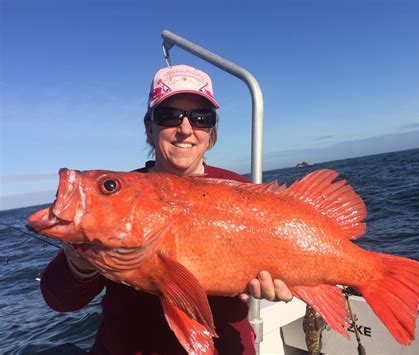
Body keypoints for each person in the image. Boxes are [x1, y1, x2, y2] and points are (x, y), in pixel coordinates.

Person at [40, 64, 292, 354]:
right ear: (150, 128)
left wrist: (281, 282)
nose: (186, 129)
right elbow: (60, 300)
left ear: (211, 132)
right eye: (170, 116)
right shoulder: (117, 195)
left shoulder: (237, 188)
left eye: (201, 118)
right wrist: (78, 263)